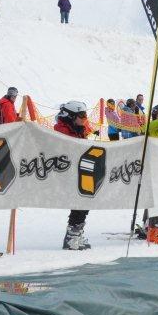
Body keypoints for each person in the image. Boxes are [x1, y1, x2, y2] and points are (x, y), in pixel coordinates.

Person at [54, 101, 92, 250]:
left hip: (80, 171)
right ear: (71, 116)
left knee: (86, 200)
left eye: (85, 115)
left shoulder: (78, 129)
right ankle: (72, 236)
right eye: (81, 115)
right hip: (66, 173)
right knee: (80, 201)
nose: (84, 119)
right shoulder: (62, 131)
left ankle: (77, 232)